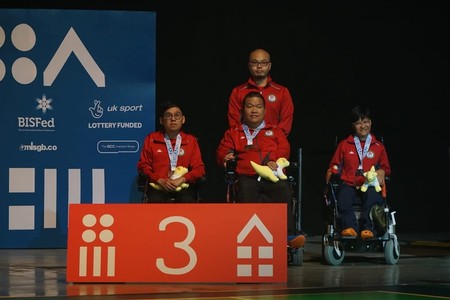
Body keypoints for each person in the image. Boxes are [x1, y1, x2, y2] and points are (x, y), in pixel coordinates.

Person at [217, 91, 305, 248]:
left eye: (258, 107)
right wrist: (226, 156)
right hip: (246, 177)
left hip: (272, 176)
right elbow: (223, 150)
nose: (254, 110)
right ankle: (248, 235)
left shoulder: (275, 131)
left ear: (265, 110)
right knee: (245, 187)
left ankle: (288, 235)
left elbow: (284, 149)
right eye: (249, 106)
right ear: (243, 110)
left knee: (283, 188)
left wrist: (274, 160)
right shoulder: (234, 132)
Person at [325, 105, 391, 239]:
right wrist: (332, 172)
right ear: (353, 125)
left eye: (366, 122)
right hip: (349, 183)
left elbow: (386, 169)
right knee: (342, 196)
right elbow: (334, 165)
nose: (363, 126)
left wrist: (382, 172)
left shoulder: (378, 147)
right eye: (358, 123)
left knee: (372, 197)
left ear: (371, 123)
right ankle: (350, 227)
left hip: (370, 185)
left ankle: (368, 229)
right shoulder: (344, 144)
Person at [137, 101, 205, 203]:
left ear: (183, 119)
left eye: (177, 115)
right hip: (158, 186)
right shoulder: (151, 139)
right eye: (168, 116)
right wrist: (159, 180)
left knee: (188, 200)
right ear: (161, 120)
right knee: (155, 200)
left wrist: (182, 179)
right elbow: (143, 166)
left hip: (182, 186)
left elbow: (199, 169)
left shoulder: (190, 140)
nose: (173, 119)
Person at [227, 48, 294, 136]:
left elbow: (286, 121)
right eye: (255, 62)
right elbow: (234, 122)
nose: (259, 66)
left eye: (263, 62)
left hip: (273, 144)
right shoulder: (238, 91)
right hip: (246, 145)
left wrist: (276, 139)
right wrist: (242, 139)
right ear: (249, 65)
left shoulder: (282, 92)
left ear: (269, 66)